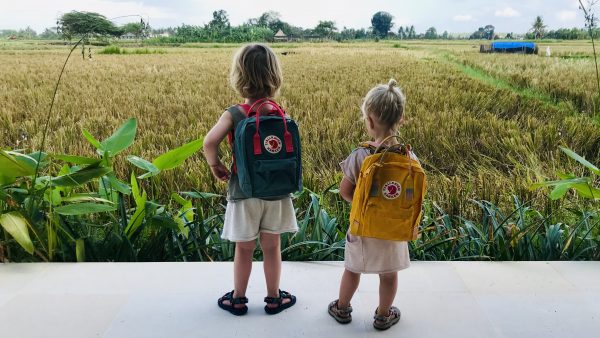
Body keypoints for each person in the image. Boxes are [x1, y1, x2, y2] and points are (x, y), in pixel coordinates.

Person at [203, 44, 298, 316]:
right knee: (272, 247)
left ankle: (238, 298)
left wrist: (216, 164)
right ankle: (273, 298)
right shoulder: (279, 112)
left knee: (244, 250)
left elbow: (209, 142)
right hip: (277, 192)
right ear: (275, 77)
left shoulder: (235, 114)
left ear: (239, 77)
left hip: (244, 191)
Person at [328, 79, 413, 330]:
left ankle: (342, 308)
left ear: (369, 121)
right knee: (388, 275)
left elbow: (345, 191)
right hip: (394, 230)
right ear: (402, 119)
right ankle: (383, 315)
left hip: (363, 227)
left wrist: (366, 203)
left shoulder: (361, 155)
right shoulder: (409, 158)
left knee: (352, 270)